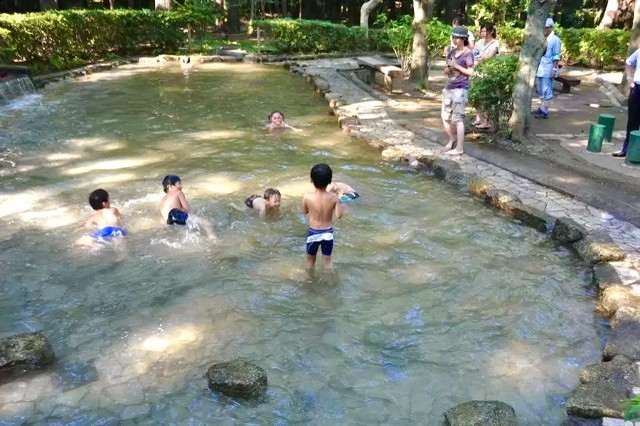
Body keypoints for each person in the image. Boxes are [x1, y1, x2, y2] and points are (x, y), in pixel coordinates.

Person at [302, 163, 343, 270]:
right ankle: (329, 284)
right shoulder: (334, 197)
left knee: (310, 261)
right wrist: (338, 201)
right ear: (329, 181)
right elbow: (339, 216)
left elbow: (304, 211)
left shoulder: (307, 197)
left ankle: (309, 283)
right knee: (327, 262)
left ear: (311, 180)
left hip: (313, 233)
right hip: (327, 234)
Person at [442, 26, 475, 156]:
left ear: (463, 39)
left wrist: (457, 66)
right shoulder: (451, 52)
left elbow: (470, 72)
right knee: (445, 117)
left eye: (457, 38)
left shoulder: (468, 53)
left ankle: (459, 148)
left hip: (460, 88)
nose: (454, 40)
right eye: (453, 37)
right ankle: (451, 139)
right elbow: (448, 68)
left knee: (458, 118)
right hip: (449, 87)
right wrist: (448, 70)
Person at [612, 48, 640, 158]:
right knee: (632, 120)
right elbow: (628, 62)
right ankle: (627, 149)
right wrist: (629, 79)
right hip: (637, 88)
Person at [472, 22, 500, 129]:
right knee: (477, 95)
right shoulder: (479, 42)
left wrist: (479, 51)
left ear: (491, 31)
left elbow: (488, 57)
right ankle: (478, 118)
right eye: (482, 31)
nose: (483, 33)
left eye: (485, 31)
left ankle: (486, 121)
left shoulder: (495, 43)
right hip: (477, 70)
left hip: (488, 72)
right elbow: (474, 55)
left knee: (486, 97)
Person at [534, 18, 562, 120]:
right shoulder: (541, 38)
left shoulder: (555, 40)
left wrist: (554, 69)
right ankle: (541, 107)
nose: (544, 29)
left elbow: (556, 55)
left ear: (550, 28)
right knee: (540, 89)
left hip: (549, 68)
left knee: (547, 90)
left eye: (546, 28)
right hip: (540, 68)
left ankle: (544, 111)